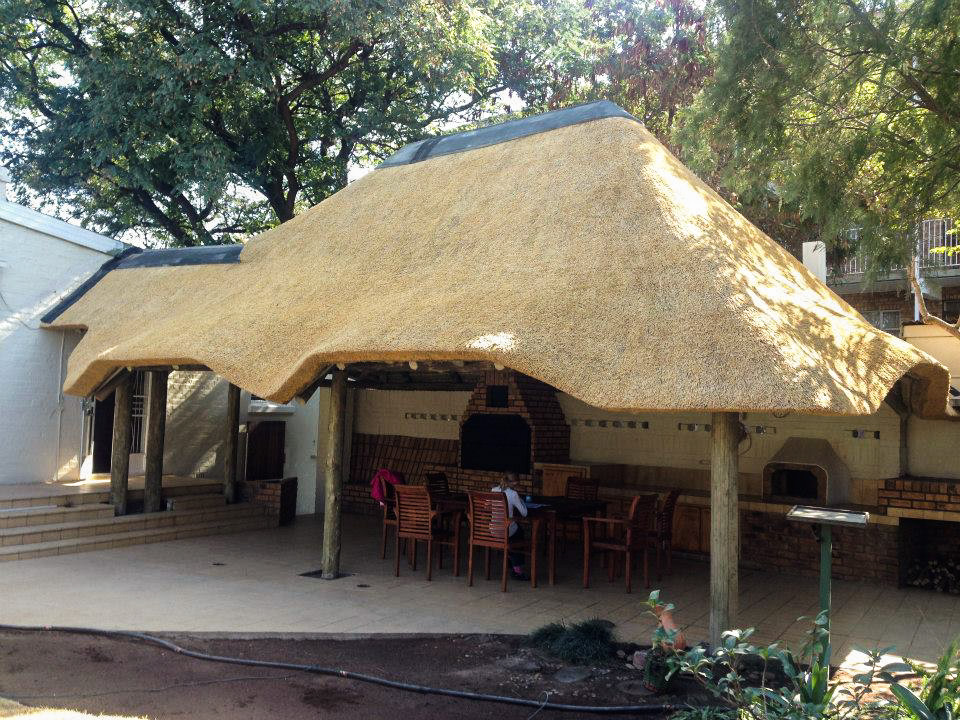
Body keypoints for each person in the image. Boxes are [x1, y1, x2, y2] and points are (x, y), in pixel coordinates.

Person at [491, 472, 528, 580]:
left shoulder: (494, 490)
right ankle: (517, 570)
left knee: (514, 532)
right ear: (515, 482)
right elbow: (524, 513)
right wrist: (520, 500)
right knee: (519, 533)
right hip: (506, 530)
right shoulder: (513, 494)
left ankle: (510, 562)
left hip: (493, 530)